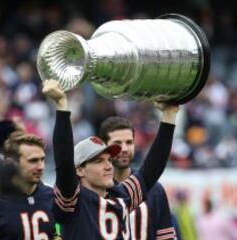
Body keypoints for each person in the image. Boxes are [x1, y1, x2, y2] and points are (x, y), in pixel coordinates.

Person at [43, 80, 179, 240]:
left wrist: (169, 115)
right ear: (79, 170)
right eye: (98, 161)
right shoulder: (74, 201)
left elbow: (152, 167)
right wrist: (61, 105)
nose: (108, 166)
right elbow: (64, 163)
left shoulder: (120, 195)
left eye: (108, 159)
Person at [99, 116, 176, 239]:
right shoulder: (95, 189)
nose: (124, 149)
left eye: (129, 142)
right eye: (117, 143)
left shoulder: (155, 190)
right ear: (104, 147)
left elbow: (165, 236)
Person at [0, 131, 58, 240]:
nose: (41, 167)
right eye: (33, 161)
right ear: (10, 163)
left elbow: (58, 232)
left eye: (42, 159)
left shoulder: (52, 196)